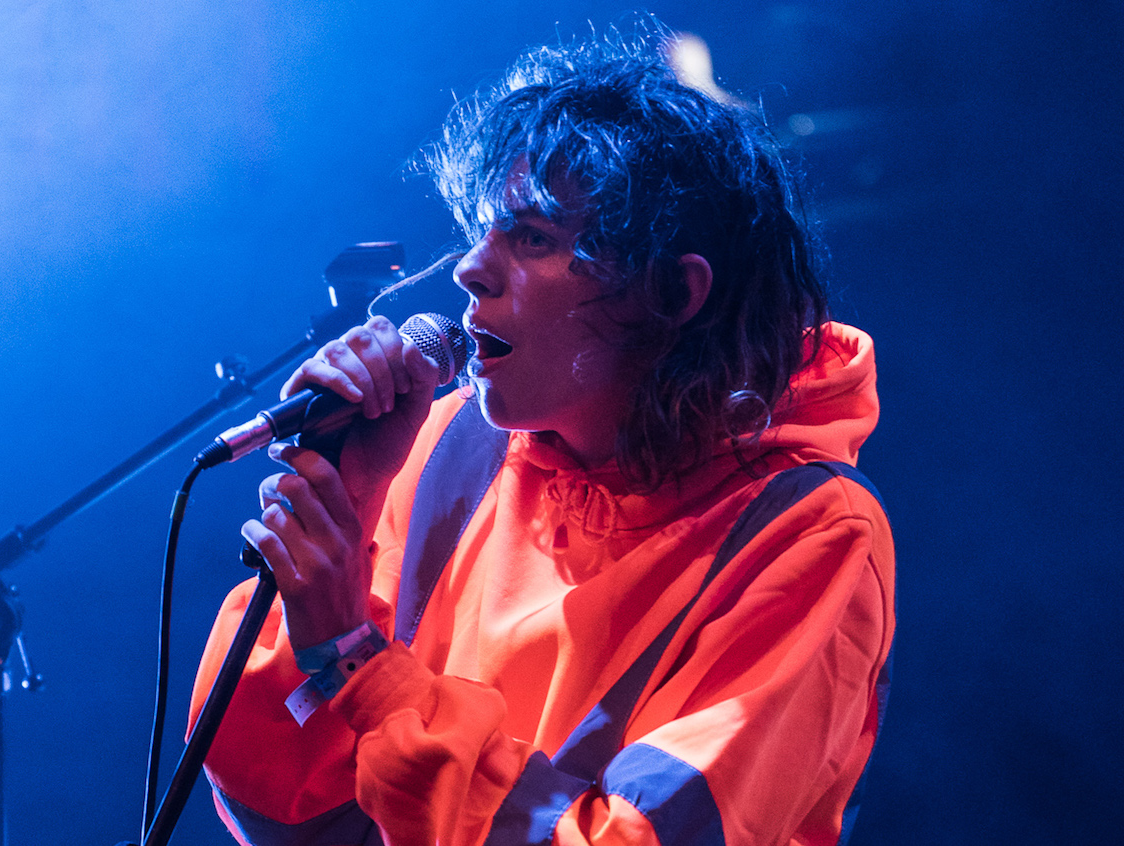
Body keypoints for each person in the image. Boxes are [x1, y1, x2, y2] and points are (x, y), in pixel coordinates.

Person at [189, 23, 894, 846]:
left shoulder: (808, 534)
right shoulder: (444, 447)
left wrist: (359, 663)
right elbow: (283, 815)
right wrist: (349, 506)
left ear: (673, 293)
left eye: (532, 238)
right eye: (484, 229)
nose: (469, 269)